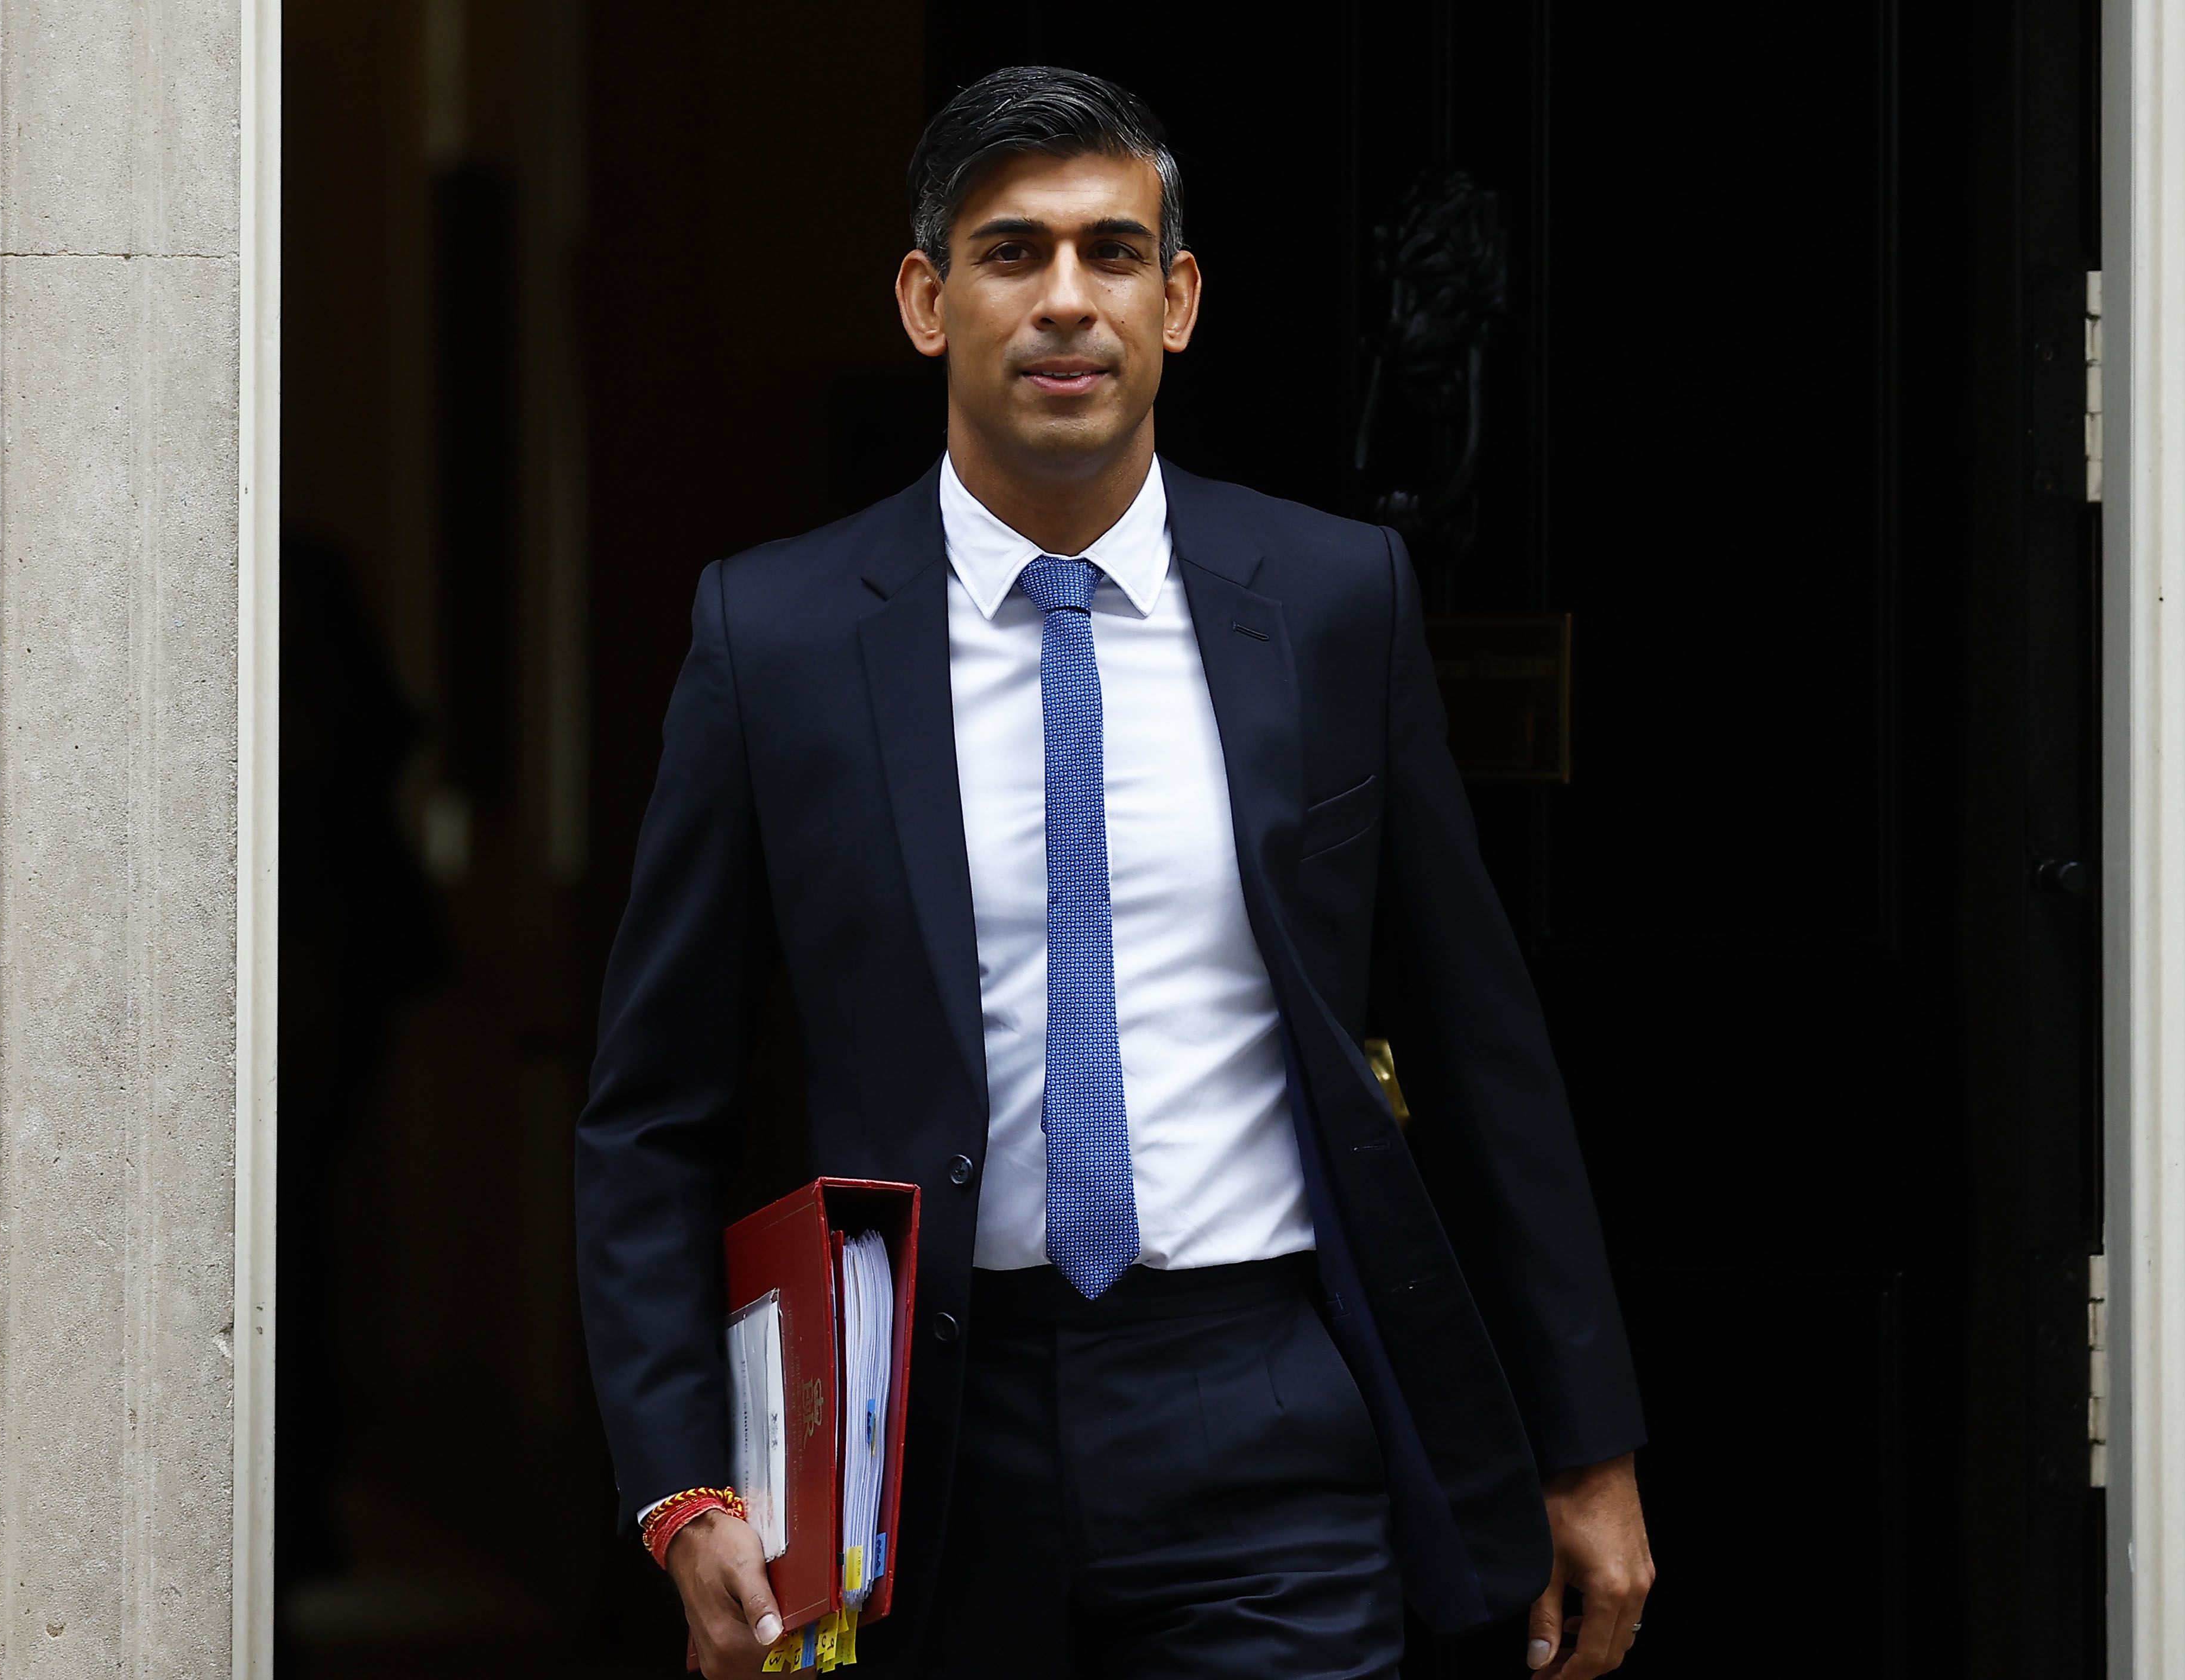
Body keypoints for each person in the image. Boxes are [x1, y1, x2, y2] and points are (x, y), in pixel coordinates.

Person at [576, 64, 1652, 1679]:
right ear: (927, 301)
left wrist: (1586, 1445)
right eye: (1012, 254)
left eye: (1111, 252)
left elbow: (1481, 1048)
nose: (1066, 302)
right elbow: (653, 1109)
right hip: (920, 1440)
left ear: (1179, 297)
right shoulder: (776, 637)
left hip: (1263, 1402)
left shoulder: (1332, 599)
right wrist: (680, 1480)